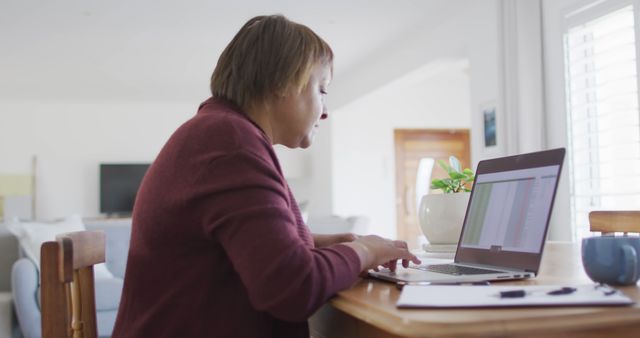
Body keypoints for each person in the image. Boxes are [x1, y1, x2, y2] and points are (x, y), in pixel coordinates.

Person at [111, 14, 420, 338]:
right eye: (322, 89)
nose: (325, 110)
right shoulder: (231, 143)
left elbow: (226, 247)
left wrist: (310, 243)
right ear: (282, 83)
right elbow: (292, 288)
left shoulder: (218, 131)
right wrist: (365, 252)